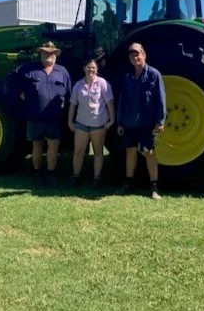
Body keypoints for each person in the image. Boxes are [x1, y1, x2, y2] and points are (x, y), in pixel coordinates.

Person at [10, 41, 71, 187]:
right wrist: (20, 94)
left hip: (55, 117)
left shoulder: (62, 72)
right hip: (35, 117)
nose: (48, 55)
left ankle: (51, 174)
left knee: (53, 147)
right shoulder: (29, 69)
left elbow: (69, 92)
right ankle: (37, 173)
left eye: (51, 53)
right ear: (40, 54)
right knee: (36, 146)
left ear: (56, 55)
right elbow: (13, 81)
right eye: (45, 52)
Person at [117, 43, 166, 200]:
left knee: (149, 152)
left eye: (137, 54)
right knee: (130, 151)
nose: (135, 57)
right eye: (132, 55)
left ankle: (154, 187)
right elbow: (122, 101)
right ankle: (129, 183)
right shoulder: (127, 77)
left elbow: (160, 98)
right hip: (130, 121)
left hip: (147, 121)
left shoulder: (154, 75)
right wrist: (120, 122)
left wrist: (160, 120)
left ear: (144, 55)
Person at [67, 58, 115, 188]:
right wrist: (70, 122)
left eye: (93, 67)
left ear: (97, 69)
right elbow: (72, 105)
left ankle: (96, 178)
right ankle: (76, 176)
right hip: (81, 123)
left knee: (98, 153)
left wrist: (112, 120)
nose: (91, 70)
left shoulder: (103, 84)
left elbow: (109, 103)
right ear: (84, 69)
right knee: (78, 152)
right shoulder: (78, 85)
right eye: (88, 67)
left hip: (98, 124)